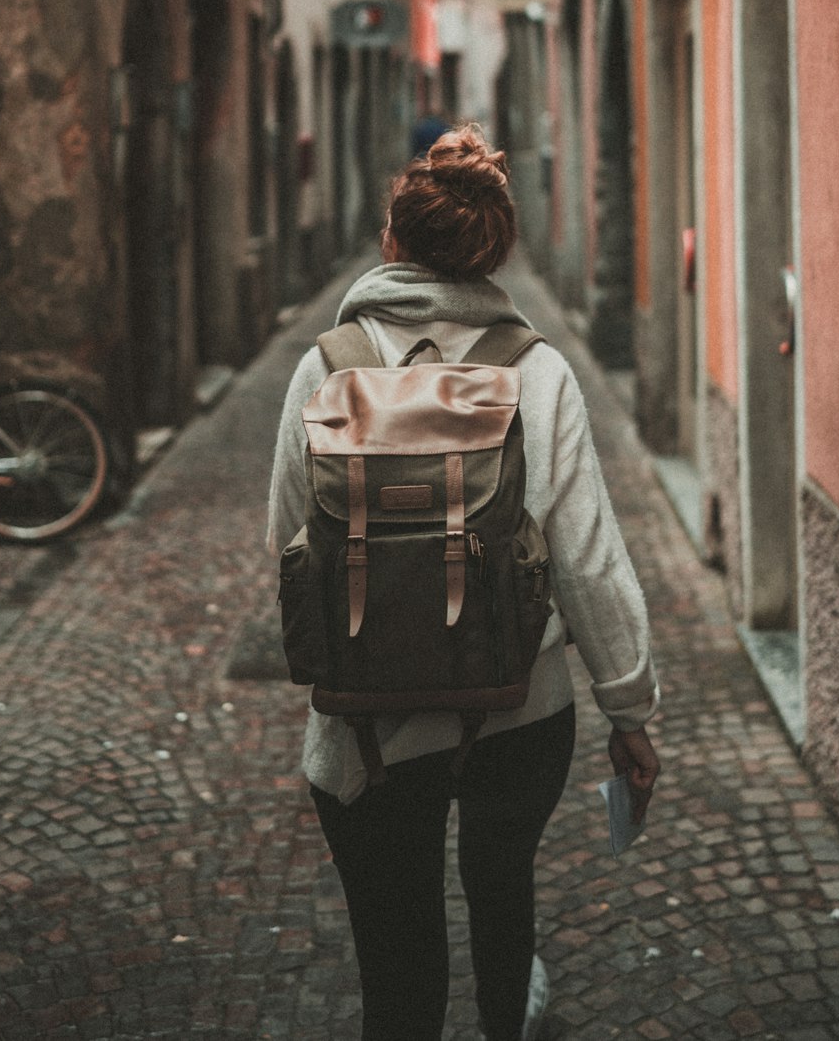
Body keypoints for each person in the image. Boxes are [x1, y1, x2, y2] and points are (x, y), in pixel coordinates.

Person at [267, 125, 660, 1041]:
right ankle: (502, 1016)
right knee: (502, 891)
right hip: (519, 709)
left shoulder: (325, 369)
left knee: (396, 969)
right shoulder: (539, 372)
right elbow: (589, 560)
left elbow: (287, 546)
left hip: (365, 724)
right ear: (494, 249)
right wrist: (631, 711)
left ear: (392, 242)